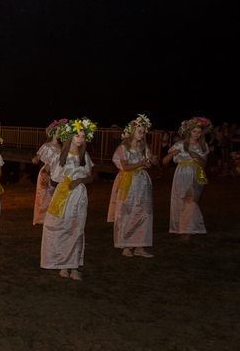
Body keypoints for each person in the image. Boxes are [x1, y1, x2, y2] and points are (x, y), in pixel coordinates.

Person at [40, 118, 96, 281]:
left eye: (83, 136)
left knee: (77, 229)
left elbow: (91, 177)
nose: (81, 139)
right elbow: (53, 178)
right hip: (63, 195)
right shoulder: (61, 156)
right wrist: (48, 178)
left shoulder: (84, 156)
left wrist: (80, 180)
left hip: (79, 196)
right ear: (70, 136)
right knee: (61, 227)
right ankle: (63, 263)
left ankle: (74, 266)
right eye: (77, 135)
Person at [107, 114, 157, 257]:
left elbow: (150, 162)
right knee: (127, 212)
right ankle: (126, 246)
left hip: (142, 183)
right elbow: (125, 167)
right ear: (132, 131)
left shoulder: (144, 147)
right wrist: (141, 163)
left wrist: (152, 161)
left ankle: (140, 246)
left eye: (143, 130)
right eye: (139, 129)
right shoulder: (123, 148)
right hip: (128, 182)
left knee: (144, 212)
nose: (142, 132)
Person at [162, 116, 212, 239]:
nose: (197, 134)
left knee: (192, 201)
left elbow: (204, 164)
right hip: (181, 173)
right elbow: (164, 161)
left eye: (199, 132)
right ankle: (182, 227)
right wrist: (172, 154)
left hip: (196, 173)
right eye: (194, 131)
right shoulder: (179, 144)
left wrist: (196, 156)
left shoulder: (203, 145)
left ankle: (188, 229)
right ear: (189, 131)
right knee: (181, 200)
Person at [31, 119, 65, 225]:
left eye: (61, 131)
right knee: (44, 196)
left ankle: (53, 218)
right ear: (53, 132)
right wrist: (35, 159)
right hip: (46, 172)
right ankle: (42, 219)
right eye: (58, 131)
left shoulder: (62, 147)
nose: (60, 133)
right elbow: (37, 158)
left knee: (55, 196)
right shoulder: (46, 146)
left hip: (58, 173)